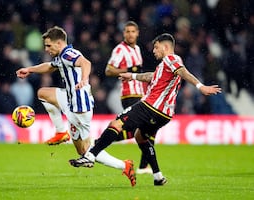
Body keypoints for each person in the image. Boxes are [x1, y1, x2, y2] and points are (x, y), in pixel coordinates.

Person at [69, 33, 222, 186]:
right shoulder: (165, 65)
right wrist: (133, 76)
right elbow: (152, 76)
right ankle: (158, 176)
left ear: (166, 47)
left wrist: (200, 86)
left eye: (156, 47)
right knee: (140, 136)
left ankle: (90, 156)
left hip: (151, 106)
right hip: (165, 115)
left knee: (116, 124)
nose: (154, 51)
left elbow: (183, 72)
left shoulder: (172, 59)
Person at [16, 26, 136, 187]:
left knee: (86, 151)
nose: (46, 49)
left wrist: (85, 79)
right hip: (70, 100)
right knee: (43, 93)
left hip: (80, 107)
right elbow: (50, 66)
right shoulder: (61, 55)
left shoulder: (68, 54)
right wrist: (30, 70)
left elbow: (86, 62)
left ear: (59, 43)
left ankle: (125, 166)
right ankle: (60, 132)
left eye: (49, 45)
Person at [105, 21, 151, 174]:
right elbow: (108, 70)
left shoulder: (137, 49)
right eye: (127, 31)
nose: (130, 34)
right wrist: (128, 70)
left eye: (133, 31)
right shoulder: (120, 49)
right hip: (129, 94)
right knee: (141, 129)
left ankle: (144, 166)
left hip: (140, 93)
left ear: (137, 33)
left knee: (143, 129)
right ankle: (101, 141)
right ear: (124, 33)